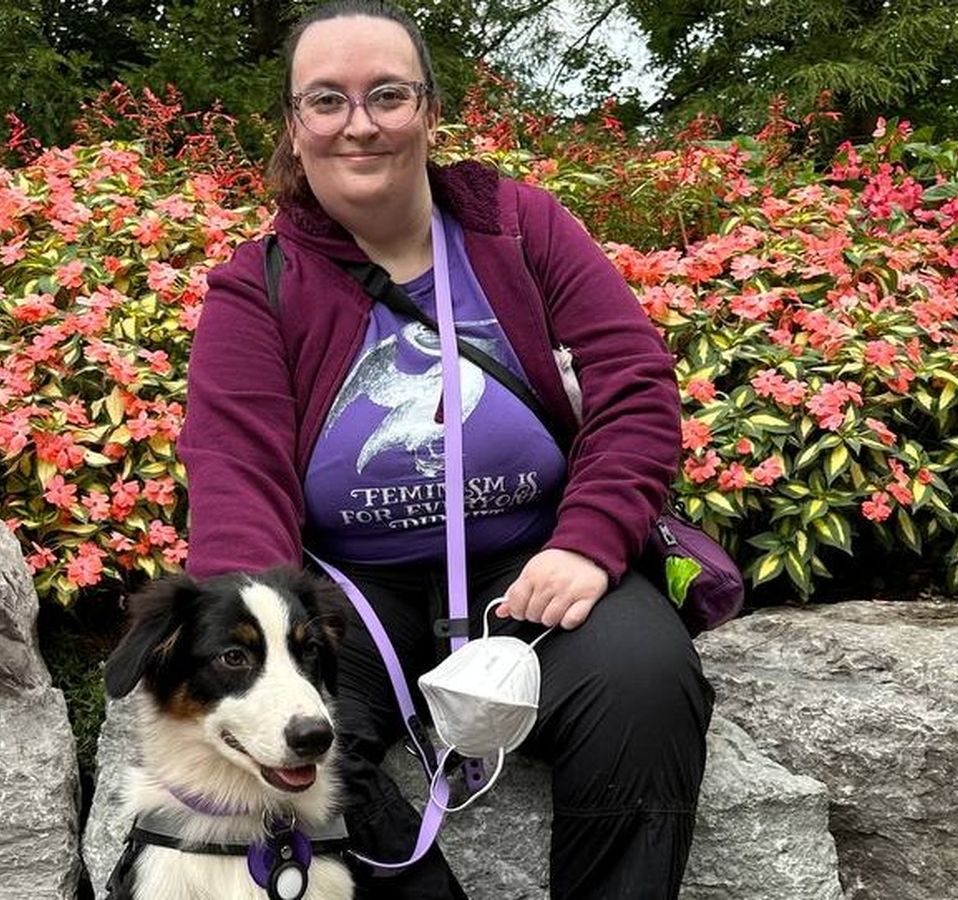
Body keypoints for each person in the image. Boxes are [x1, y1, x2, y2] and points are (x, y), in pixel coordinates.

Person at [177, 2, 714, 897]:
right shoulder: (257, 287)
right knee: (279, 747)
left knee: (644, 682)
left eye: (387, 95)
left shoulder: (522, 228)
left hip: (533, 571)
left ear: (428, 111)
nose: (359, 123)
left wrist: (588, 542)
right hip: (345, 596)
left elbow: (635, 384)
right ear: (295, 127)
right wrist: (260, 629)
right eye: (327, 100)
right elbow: (235, 471)